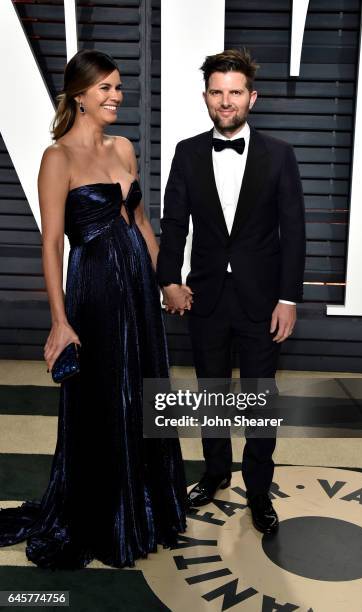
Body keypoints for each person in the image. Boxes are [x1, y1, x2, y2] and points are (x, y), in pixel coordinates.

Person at [0, 49, 187, 569]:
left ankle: (148, 508)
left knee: (145, 390)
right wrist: (60, 321)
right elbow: (52, 243)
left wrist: (167, 282)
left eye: (118, 87)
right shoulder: (56, 158)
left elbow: (143, 225)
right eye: (105, 87)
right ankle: (105, 516)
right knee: (105, 397)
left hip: (138, 295)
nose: (115, 96)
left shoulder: (124, 148)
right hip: (96, 292)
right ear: (79, 95)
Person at [157, 49, 305, 535]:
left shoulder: (280, 155)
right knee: (211, 392)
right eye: (217, 92)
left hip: (263, 301)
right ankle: (217, 471)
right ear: (206, 97)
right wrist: (168, 281)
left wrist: (289, 298)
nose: (226, 102)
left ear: (251, 97)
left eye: (235, 92)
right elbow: (174, 224)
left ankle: (259, 492)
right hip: (205, 298)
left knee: (261, 399)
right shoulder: (187, 152)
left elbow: (294, 231)